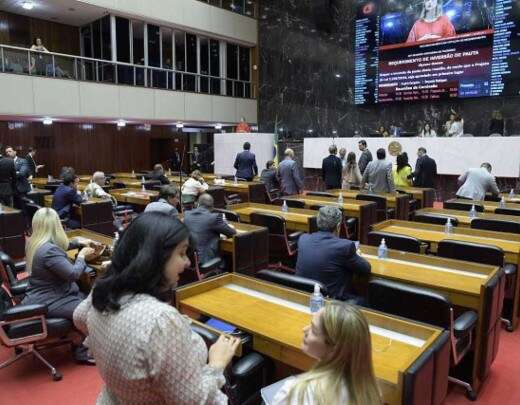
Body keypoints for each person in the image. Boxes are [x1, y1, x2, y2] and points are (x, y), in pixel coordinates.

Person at [73, 212, 240, 403]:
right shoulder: (160, 321)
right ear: (154, 257)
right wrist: (217, 365)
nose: (187, 262)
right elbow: (194, 401)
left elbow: (79, 317)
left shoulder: (102, 292)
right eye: (181, 253)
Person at [22, 207, 96, 363]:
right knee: (91, 311)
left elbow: (59, 246)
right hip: (51, 299)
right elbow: (72, 274)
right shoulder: (49, 251)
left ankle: (80, 340)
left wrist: (78, 243)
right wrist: (82, 256)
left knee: (85, 296)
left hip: (41, 295)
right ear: (56, 225)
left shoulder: (34, 243)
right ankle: (82, 351)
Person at [272, 302, 381, 405]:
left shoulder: (295, 393)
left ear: (334, 349)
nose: (304, 330)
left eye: (313, 330)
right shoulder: (370, 393)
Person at [295, 206, 371, 302]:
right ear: (338, 226)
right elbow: (366, 269)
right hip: (331, 303)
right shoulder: (345, 246)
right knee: (364, 301)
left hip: (302, 295)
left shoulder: (303, 239)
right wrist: (357, 256)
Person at [184, 193, 236, 263]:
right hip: (206, 260)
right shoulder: (214, 217)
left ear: (198, 204)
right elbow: (232, 233)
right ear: (212, 206)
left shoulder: (187, 214)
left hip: (189, 259)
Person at [5, 145, 31, 210]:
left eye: (10, 151)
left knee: (23, 209)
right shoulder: (5, 163)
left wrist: (10, 174)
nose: (8, 153)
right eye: (7, 152)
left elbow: (22, 173)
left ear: (15, 152)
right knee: (14, 209)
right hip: (10, 190)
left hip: (21, 190)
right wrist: (16, 172)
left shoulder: (23, 161)